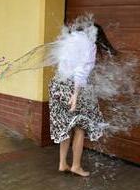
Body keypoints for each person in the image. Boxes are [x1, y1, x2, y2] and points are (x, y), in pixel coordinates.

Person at [48, 17, 117, 177]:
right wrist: (76, 94)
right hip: (74, 88)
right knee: (80, 127)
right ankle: (76, 166)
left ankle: (62, 163)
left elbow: (61, 65)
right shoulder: (89, 45)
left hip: (57, 85)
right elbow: (81, 71)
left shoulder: (69, 41)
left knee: (66, 126)